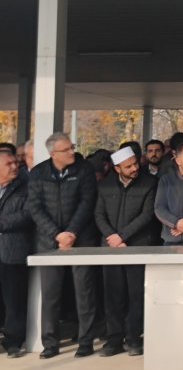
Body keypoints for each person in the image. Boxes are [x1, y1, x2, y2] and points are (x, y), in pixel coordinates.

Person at [27, 133, 100, 359]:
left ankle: (86, 341)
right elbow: (35, 207)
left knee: (85, 293)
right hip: (49, 241)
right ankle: (50, 343)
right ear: (53, 154)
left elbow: (87, 202)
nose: (72, 152)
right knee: (51, 295)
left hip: (81, 239)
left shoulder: (84, 169)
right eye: (66, 149)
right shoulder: (38, 173)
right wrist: (57, 234)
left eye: (72, 147)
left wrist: (71, 232)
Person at [94, 147, 159, 357]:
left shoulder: (149, 183)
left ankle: (133, 338)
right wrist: (112, 237)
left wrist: (122, 236)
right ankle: (113, 339)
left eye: (135, 163)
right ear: (117, 168)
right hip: (111, 247)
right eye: (128, 166)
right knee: (113, 294)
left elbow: (147, 215)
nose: (134, 168)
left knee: (136, 294)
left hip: (137, 245)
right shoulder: (105, 186)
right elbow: (99, 215)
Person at [0, 149, 32, 358]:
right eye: (8, 164)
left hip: (13, 250)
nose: (14, 167)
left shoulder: (25, 185)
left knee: (14, 300)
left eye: (16, 163)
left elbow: (27, 214)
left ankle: (13, 342)